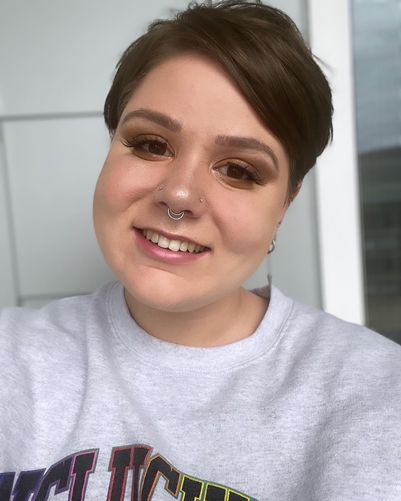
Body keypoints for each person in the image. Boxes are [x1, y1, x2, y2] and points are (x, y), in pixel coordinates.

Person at [0, 1, 400, 500]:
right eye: (151, 144)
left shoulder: (378, 392)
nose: (179, 195)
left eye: (238, 170)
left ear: (285, 203)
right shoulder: (11, 358)